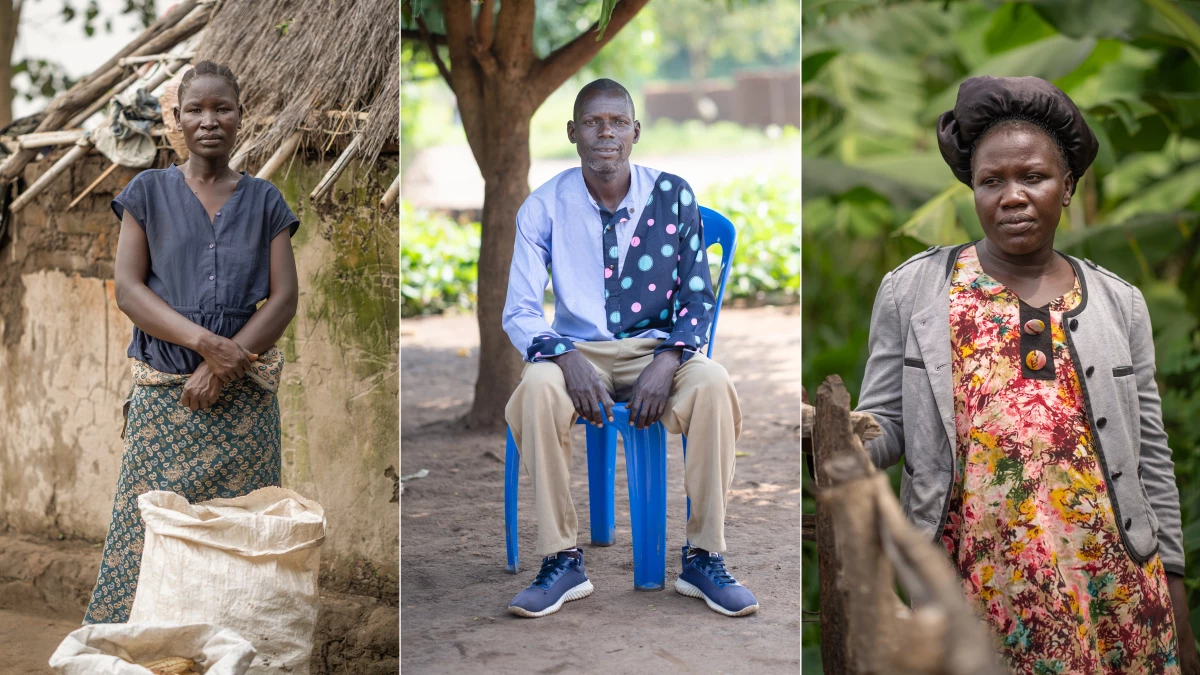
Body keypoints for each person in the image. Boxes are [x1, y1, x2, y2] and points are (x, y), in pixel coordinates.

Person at [856, 75, 1199, 673]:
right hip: (975, 591)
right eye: (992, 181)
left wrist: (1175, 594)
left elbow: (1151, 458)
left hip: (1115, 587)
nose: (1012, 196)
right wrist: (831, 435)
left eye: (1033, 177)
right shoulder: (914, 292)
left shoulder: (1121, 303)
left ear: (1066, 187)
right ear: (973, 190)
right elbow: (884, 424)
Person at [501, 78, 757, 619]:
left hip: (658, 351)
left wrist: (667, 360)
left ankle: (703, 557)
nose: (605, 132)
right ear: (573, 133)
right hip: (577, 351)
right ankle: (562, 559)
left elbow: (696, 297)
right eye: (593, 122)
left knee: (713, 383)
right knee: (536, 389)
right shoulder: (544, 206)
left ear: (635, 132)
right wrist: (566, 358)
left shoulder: (672, 193)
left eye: (617, 122)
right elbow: (521, 310)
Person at [83, 61, 300, 623]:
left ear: (239, 118)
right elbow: (129, 291)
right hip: (165, 400)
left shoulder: (266, 201)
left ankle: (228, 650)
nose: (209, 120)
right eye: (196, 110)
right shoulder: (147, 192)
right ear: (176, 121)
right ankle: (130, 651)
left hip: (243, 409)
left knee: (239, 535)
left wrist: (226, 367)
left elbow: (283, 300)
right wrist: (208, 346)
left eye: (221, 108)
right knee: (145, 531)